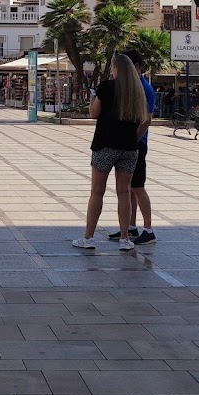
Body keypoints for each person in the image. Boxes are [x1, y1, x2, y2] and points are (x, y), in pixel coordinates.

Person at [72, 52, 149, 252]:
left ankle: (88, 237)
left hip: (105, 144)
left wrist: (92, 99)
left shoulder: (106, 87)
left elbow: (94, 113)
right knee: (124, 192)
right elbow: (143, 119)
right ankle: (125, 238)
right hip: (129, 147)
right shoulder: (137, 90)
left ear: (116, 68)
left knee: (97, 191)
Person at [109, 50, 156, 245]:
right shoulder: (136, 86)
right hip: (133, 143)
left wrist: (132, 139)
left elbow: (146, 120)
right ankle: (131, 226)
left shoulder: (144, 88)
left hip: (138, 143)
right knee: (129, 187)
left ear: (136, 66)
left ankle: (148, 229)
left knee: (137, 186)